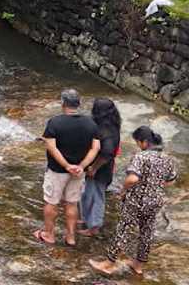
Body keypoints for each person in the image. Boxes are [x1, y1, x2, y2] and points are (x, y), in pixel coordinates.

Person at [90, 126, 178, 277]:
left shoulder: (141, 156)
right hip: (155, 200)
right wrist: (154, 185)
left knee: (123, 229)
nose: (137, 145)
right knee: (146, 232)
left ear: (144, 142)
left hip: (137, 199)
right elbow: (171, 180)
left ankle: (109, 264)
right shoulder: (166, 158)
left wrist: (123, 190)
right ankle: (138, 265)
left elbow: (132, 178)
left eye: (137, 142)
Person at [36, 88, 100, 246]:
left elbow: (52, 147)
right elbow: (96, 148)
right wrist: (81, 166)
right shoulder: (90, 123)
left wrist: (66, 165)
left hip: (57, 170)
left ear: (63, 103)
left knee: (51, 202)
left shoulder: (55, 122)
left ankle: (49, 234)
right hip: (78, 172)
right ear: (78, 104)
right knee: (71, 203)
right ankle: (71, 237)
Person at [78, 98, 122, 237]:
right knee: (87, 193)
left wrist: (94, 168)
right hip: (102, 167)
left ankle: (94, 227)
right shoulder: (112, 124)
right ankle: (85, 219)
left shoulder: (106, 130)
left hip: (101, 169)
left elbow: (107, 153)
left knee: (96, 196)